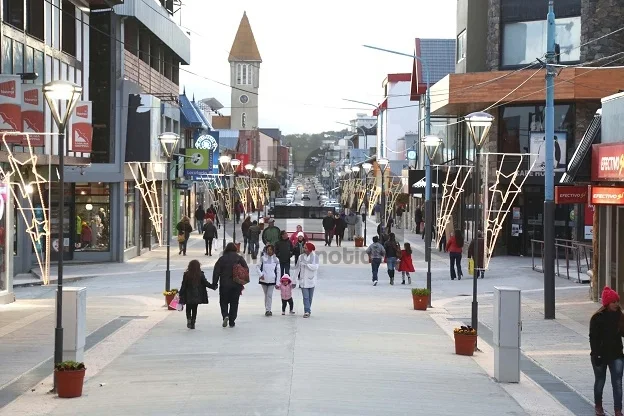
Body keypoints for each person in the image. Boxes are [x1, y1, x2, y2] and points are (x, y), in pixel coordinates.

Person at [590, 286, 624, 416]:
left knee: (618, 383)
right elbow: (593, 338)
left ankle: (618, 410)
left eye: (617, 301)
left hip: (616, 354)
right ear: (607, 303)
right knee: (600, 381)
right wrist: (596, 354)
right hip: (600, 354)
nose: (616, 304)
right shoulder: (597, 318)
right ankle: (598, 406)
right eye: (614, 302)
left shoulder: (620, 316)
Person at [211, 242, 249, 328]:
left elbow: (216, 272)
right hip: (236, 284)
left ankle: (225, 315)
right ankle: (232, 321)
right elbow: (246, 269)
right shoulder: (239, 258)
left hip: (224, 284)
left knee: (223, 301)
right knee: (234, 303)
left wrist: (214, 283)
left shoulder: (222, 259)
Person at [178, 259, 212, 329]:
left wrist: (180, 293)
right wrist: (213, 286)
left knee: (188, 308)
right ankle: (193, 322)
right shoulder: (200, 274)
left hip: (188, 294)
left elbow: (183, 285)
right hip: (197, 294)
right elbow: (205, 283)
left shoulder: (186, 274)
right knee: (194, 308)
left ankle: (189, 319)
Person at [295, 242, 319, 318]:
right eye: (304, 247)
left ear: (309, 249)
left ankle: (308, 309)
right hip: (303, 280)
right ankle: (307, 311)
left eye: (305, 248)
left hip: (311, 279)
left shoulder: (315, 257)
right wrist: (294, 280)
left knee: (310, 297)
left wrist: (306, 265)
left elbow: (315, 267)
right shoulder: (300, 257)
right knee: (305, 297)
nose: (304, 249)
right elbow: (297, 268)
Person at [257, 243, 279, 316]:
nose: (269, 251)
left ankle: (268, 310)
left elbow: (278, 271)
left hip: (272, 279)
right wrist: (261, 274)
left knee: (269, 295)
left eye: (271, 250)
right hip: (264, 279)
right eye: (268, 250)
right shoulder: (263, 258)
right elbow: (257, 267)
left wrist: (278, 282)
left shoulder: (276, 259)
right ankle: (267, 308)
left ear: (273, 250)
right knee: (266, 295)